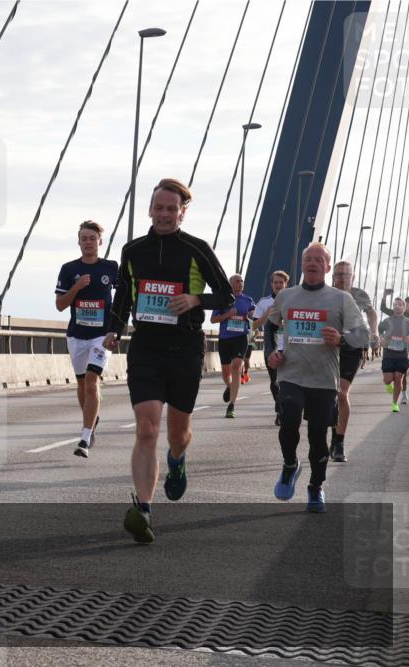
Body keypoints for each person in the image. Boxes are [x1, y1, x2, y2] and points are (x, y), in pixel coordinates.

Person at [104, 177, 234, 543]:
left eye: (171, 209)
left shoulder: (197, 249)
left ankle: (177, 460)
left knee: (178, 434)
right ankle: (143, 509)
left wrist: (196, 300)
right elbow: (124, 299)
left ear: (182, 213)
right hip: (145, 348)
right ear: (150, 209)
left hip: (185, 350)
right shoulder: (132, 250)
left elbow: (226, 295)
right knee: (147, 428)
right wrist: (114, 328)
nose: (164, 215)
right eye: (159, 208)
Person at [267, 243, 368, 513]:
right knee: (288, 420)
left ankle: (315, 486)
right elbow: (271, 325)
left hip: (323, 379)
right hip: (291, 373)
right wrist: (271, 354)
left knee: (317, 438)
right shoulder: (286, 296)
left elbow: (361, 336)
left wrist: (340, 339)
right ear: (302, 264)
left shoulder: (341, 299)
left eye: (318, 260)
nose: (312, 263)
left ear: (327, 266)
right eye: (307, 259)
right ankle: (290, 465)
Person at [55, 220, 118, 457]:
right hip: (77, 336)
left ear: (100, 241)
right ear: (79, 241)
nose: (88, 242)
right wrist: (77, 287)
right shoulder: (69, 269)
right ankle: (92, 420)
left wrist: (117, 330)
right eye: (84, 238)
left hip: (101, 336)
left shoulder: (111, 267)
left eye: (93, 238)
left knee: (92, 381)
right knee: (81, 384)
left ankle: (84, 437)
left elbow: (123, 299)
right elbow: (60, 305)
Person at [328, 261, 379, 462]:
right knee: (328, 394)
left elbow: (372, 313)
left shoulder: (359, 294)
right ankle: (331, 432)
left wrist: (374, 332)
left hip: (353, 346)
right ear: (333, 276)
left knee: (341, 392)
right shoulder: (326, 293)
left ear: (353, 277)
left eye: (346, 274)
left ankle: (339, 440)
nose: (342, 278)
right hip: (329, 346)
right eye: (338, 274)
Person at [210, 274, 255, 418]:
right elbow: (213, 319)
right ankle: (229, 387)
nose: (240, 283)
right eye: (237, 281)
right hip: (225, 339)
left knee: (236, 366)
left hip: (241, 338)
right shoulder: (223, 299)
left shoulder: (248, 300)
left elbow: (253, 315)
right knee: (225, 374)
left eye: (242, 281)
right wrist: (227, 314)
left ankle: (231, 405)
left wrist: (253, 316)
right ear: (230, 284)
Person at [252, 270, 290, 425]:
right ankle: (280, 407)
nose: (278, 285)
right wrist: (266, 315)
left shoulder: (294, 300)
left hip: (289, 348)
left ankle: (282, 412)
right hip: (271, 348)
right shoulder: (263, 302)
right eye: (275, 282)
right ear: (271, 284)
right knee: (275, 382)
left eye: (281, 282)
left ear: (286, 284)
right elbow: (254, 326)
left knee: (287, 383)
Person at [380, 297, 409, 412]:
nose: (397, 306)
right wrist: (381, 338)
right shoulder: (387, 321)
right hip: (388, 354)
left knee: (398, 378)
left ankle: (395, 404)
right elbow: (379, 330)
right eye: (395, 305)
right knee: (388, 380)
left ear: (404, 308)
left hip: (402, 355)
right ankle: (388, 385)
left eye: (400, 304)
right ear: (393, 307)